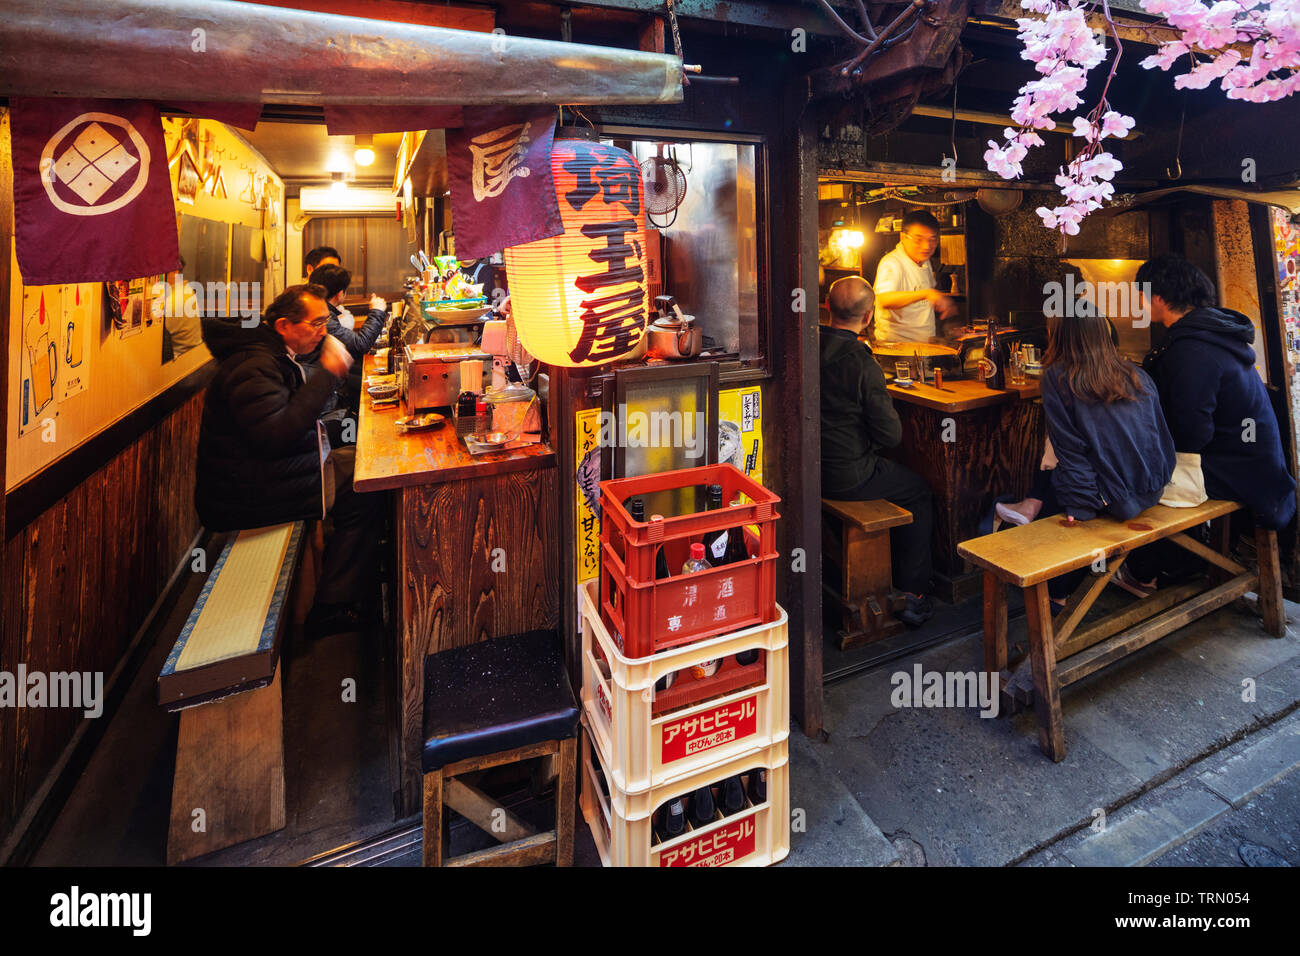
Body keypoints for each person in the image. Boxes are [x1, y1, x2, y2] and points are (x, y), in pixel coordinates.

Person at [195, 284, 381, 636]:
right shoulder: (253, 365)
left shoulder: (269, 352)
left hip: (268, 476)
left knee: (361, 462)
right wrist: (328, 372)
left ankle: (350, 579)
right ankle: (332, 606)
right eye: (315, 324)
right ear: (283, 326)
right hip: (250, 494)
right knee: (365, 489)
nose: (323, 332)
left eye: (325, 322)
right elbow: (277, 436)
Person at [1122, 254, 1297, 589]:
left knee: (1129, 482)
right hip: (1255, 464)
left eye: (1143, 295)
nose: (1143, 303)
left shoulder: (1191, 350)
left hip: (1237, 471)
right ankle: (1173, 566)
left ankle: (1149, 571)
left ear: (1158, 297)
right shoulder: (1215, 333)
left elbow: (1192, 433)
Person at [994, 312, 1176, 600]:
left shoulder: (1058, 377)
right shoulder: (1135, 372)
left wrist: (1079, 510)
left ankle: (1055, 599)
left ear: (1060, 336)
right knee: (1063, 484)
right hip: (1152, 488)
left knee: (1061, 507)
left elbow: (1070, 451)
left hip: (1115, 499)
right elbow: (1158, 437)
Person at [820, 276, 935, 626]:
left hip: (807, 469)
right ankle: (913, 595)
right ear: (869, 316)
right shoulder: (863, 363)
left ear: (826, 307)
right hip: (848, 477)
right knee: (918, 492)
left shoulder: (802, 345)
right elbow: (892, 434)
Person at [872, 211, 958, 343]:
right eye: (919, 239)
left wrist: (943, 307)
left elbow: (921, 302)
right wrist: (926, 293)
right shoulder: (892, 263)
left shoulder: (925, 261)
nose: (927, 246)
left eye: (932, 239)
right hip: (896, 347)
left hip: (924, 344)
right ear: (903, 237)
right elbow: (884, 299)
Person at [311, 263, 388, 360]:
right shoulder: (323, 316)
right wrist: (377, 311)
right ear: (340, 294)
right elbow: (360, 344)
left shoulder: (320, 309)